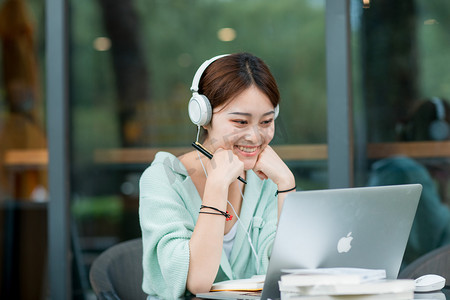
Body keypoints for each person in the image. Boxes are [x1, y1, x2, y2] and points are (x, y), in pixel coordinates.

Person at [139, 53, 296, 299]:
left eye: (266, 122)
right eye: (240, 122)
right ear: (203, 116)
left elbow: (292, 271)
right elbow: (198, 282)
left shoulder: (265, 180)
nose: (255, 137)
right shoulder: (163, 179)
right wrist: (217, 185)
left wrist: (287, 186)